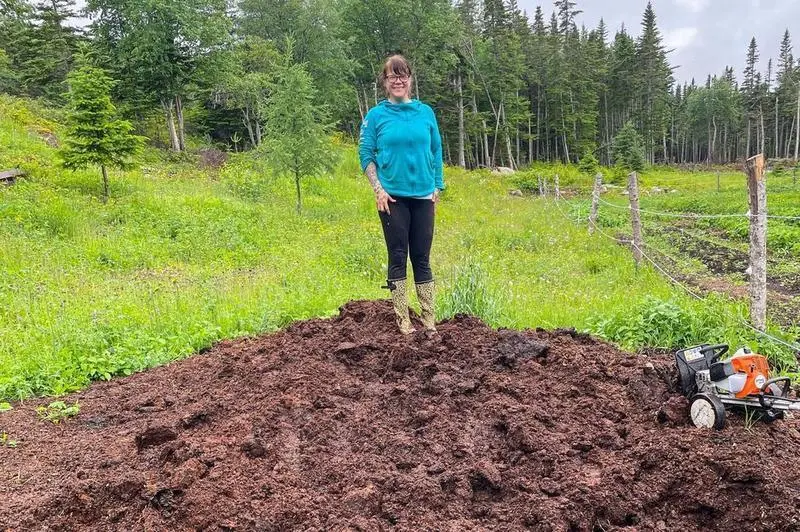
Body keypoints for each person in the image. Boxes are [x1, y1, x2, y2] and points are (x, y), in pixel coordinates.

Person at [358, 54, 444, 335]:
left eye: (403, 75)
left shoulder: (425, 112)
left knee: (422, 257)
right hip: (392, 197)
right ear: (384, 81)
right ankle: (403, 321)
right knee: (398, 255)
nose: (398, 80)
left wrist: (437, 185)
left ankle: (429, 320)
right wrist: (378, 189)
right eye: (392, 76)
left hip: (422, 197)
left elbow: (436, 150)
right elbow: (365, 153)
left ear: (410, 79)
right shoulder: (376, 116)